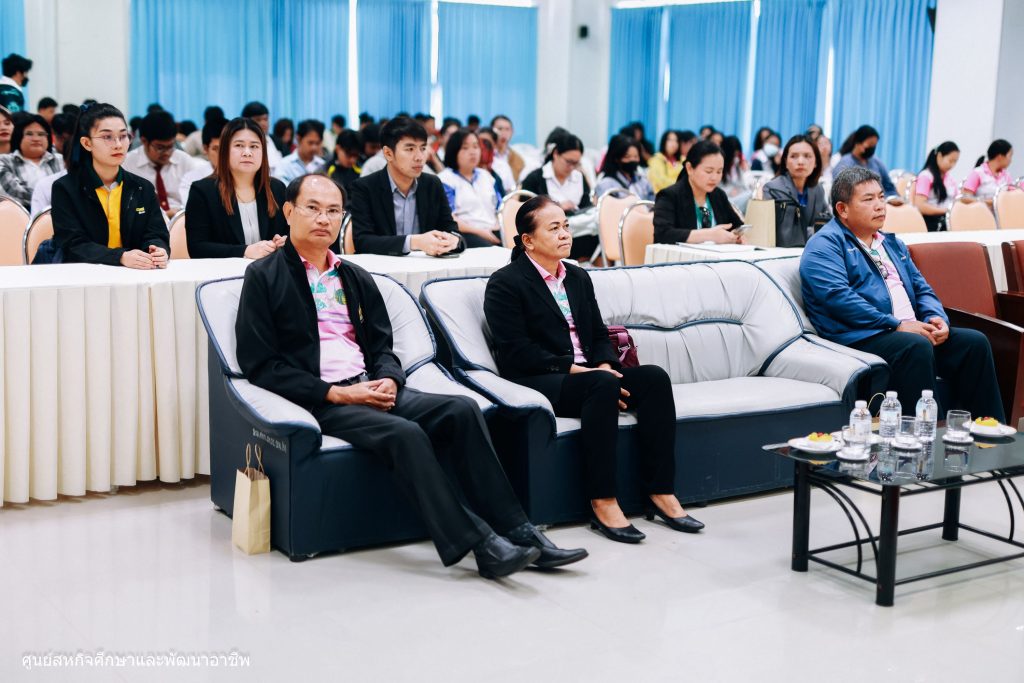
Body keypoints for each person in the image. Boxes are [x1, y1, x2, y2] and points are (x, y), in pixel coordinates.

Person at [236, 173, 587, 577]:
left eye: (333, 211)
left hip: (371, 385)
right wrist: (335, 393)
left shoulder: (354, 276)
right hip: (323, 399)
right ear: (288, 211)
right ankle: (480, 545)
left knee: (462, 409)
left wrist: (390, 378)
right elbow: (260, 364)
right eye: (312, 208)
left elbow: (383, 347)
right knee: (405, 433)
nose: (323, 219)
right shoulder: (265, 276)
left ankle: (521, 531)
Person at [484, 196, 703, 543]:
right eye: (553, 228)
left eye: (566, 226)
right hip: (542, 379)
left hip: (592, 376)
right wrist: (582, 372)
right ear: (528, 240)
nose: (564, 234)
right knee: (600, 385)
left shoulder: (577, 277)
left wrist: (604, 365)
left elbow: (599, 334)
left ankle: (661, 491)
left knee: (654, 379)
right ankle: (603, 501)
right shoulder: (505, 283)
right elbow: (517, 353)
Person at [800, 167, 1004, 420]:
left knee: (974, 343)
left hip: (905, 330)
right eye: (868, 199)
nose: (879, 206)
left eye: (881, 197)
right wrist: (895, 324)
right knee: (915, 346)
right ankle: (927, 436)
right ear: (842, 209)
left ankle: (987, 431)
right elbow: (838, 298)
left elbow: (921, 288)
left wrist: (935, 317)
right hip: (861, 335)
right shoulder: (825, 244)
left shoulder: (891, 243)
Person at [51, 103, 169, 267]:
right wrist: (120, 257)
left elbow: (156, 233)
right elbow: (73, 245)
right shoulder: (65, 188)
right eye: (107, 137)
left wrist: (158, 250)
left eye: (123, 136)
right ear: (87, 143)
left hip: (135, 273)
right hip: (84, 275)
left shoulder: (142, 187)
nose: (118, 144)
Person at [348, 117, 463, 256]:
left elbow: (451, 229)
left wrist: (454, 240)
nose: (419, 157)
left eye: (423, 148)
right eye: (410, 149)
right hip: (382, 266)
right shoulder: (364, 187)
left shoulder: (433, 184)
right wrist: (414, 242)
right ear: (388, 153)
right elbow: (363, 241)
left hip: (426, 265)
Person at [185, 117, 287, 260]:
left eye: (254, 146)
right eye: (239, 145)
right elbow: (197, 248)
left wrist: (284, 241)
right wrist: (245, 251)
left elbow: (290, 233)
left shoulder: (276, 189)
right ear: (225, 150)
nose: (247, 152)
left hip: (270, 271)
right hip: (224, 273)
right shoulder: (203, 191)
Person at [653, 140, 743, 245]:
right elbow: (663, 234)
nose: (714, 177)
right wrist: (709, 235)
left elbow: (737, 226)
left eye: (719, 171)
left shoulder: (718, 195)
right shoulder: (669, 196)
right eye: (709, 171)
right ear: (689, 168)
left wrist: (739, 235)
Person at [123, 110, 202, 217]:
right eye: (160, 148)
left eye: (171, 146)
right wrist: (163, 215)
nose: (167, 153)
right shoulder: (127, 164)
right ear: (144, 141)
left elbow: (197, 199)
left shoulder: (184, 161)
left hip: (182, 218)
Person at [437, 128, 502, 247]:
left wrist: (499, 226)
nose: (473, 152)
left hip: (493, 228)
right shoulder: (446, 179)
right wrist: (480, 232)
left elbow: (500, 208)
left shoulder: (486, 176)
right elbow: (449, 217)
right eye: (465, 148)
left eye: (476, 147)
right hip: (465, 232)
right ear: (454, 151)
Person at [763, 135, 831, 247]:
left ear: (816, 162)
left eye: (807, 156)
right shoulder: (772, 189)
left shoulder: (818, 189)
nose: (800, 161)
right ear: (785, 161)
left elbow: (828, 224)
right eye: (794, 156)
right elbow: (779, 234)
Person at [0, 113, 64, 210]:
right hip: (21, 215)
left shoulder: (61, 160)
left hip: (60, 214)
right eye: (29, 134)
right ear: (18, 137)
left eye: (41, 134)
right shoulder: (5, 161)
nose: (36, 139)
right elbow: (13, 192)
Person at [833, 125, 899, 199]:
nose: (872, 148)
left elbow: (889, 187)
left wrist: (893, 198)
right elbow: (840, 190)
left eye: (874, 146)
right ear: (858, 143)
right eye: (870, 144)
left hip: (883, 200)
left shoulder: (875, 161)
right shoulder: (845, 163)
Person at [913, 141, 960, 232]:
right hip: (931, 223)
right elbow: (920, 205)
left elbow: (957, 200)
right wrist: (946, 211)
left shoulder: (950, 178)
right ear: (939, 156)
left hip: (947, 219)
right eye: (950, 161)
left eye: (955, 162)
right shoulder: (926, 176)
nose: (952, 165)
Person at [178, 120, 224, 207]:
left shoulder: (245, 175)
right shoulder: (192, 179)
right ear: (205, 149)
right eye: (217, 149)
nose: (223, 154)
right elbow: (191, 208)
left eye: (227, 148)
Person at [594, 134, 654, 200]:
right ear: (617, 158)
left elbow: (652, 201)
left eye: (636, 156)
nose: (632, 160)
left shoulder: (642, 180)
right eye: (627, 157)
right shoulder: (607, 183)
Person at [273, 119, 327, 184]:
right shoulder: (284, 165)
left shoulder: (323, 165)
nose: (314, 147)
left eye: (317, 143)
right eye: (310, 143)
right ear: (298, 139)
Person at [963, 139, 1014, 206]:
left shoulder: (1006, 176)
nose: (1010, 160)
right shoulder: (978, 173)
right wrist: (990, 202)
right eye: (1010, 156)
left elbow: (1013, 196)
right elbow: (965, 198)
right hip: (980, 211)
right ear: (1000, 157)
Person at [241, 101, 283, 170]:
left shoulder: (277, 142)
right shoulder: (240, 143)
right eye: (258, 120)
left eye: (265, 119)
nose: (263, 123)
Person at [490, 115, 524, 191]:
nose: (503, 133)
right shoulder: (487, 155)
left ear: (512, 132)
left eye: (507, 129)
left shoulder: (518, 159)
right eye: (500, 129)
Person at [720, 135, 753, 213]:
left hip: (739, 196)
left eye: (737, 155)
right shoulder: (720, 167)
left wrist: (745, 170)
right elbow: (717, 188)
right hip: (726, 199)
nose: (736, 157)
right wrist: (730, 191)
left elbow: (745, 184)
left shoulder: (738, 166)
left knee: (752, 195)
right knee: (750, 196)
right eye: (734, 155)